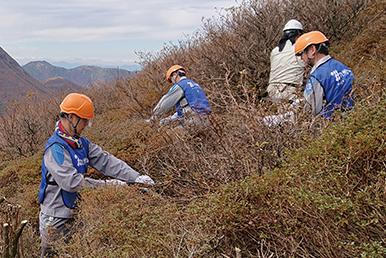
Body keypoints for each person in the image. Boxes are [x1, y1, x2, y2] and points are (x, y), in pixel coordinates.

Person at [38, 93, 154, 257]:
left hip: (76, 213)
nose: (87, 124)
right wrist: (110, 186)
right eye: (84, 119)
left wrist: (135, 177)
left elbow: (106, 161)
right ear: (71, 117)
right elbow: (71, 182)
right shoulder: (56, 148)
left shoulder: (80, 142)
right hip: (55, 218)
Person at [294, 31, 354, 118]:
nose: (301, 58)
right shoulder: (345, 69)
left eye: (301, 53)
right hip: (351, 120)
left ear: (312, 50)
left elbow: (310, 111)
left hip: (329, 126)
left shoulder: (316, 76)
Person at [267, 19, 305, 101]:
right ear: (299, 35)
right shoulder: (300, 49)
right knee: (292, 113)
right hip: (288, 89)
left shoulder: (275, 50)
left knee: (281, 112)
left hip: (272, 89)